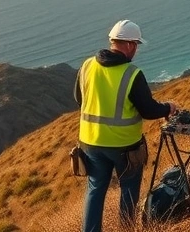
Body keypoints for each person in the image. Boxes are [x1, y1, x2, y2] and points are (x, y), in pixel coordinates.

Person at [75, 19, 177, 232]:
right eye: (136, 45)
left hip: (91, 142)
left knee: (95, 190)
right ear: (130, 45)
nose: (136, 50)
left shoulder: (87, 66)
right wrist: (168, 108)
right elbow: (148, 110)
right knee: (129, 190)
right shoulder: (132, 73)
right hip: (124, 146)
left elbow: (79, 98)